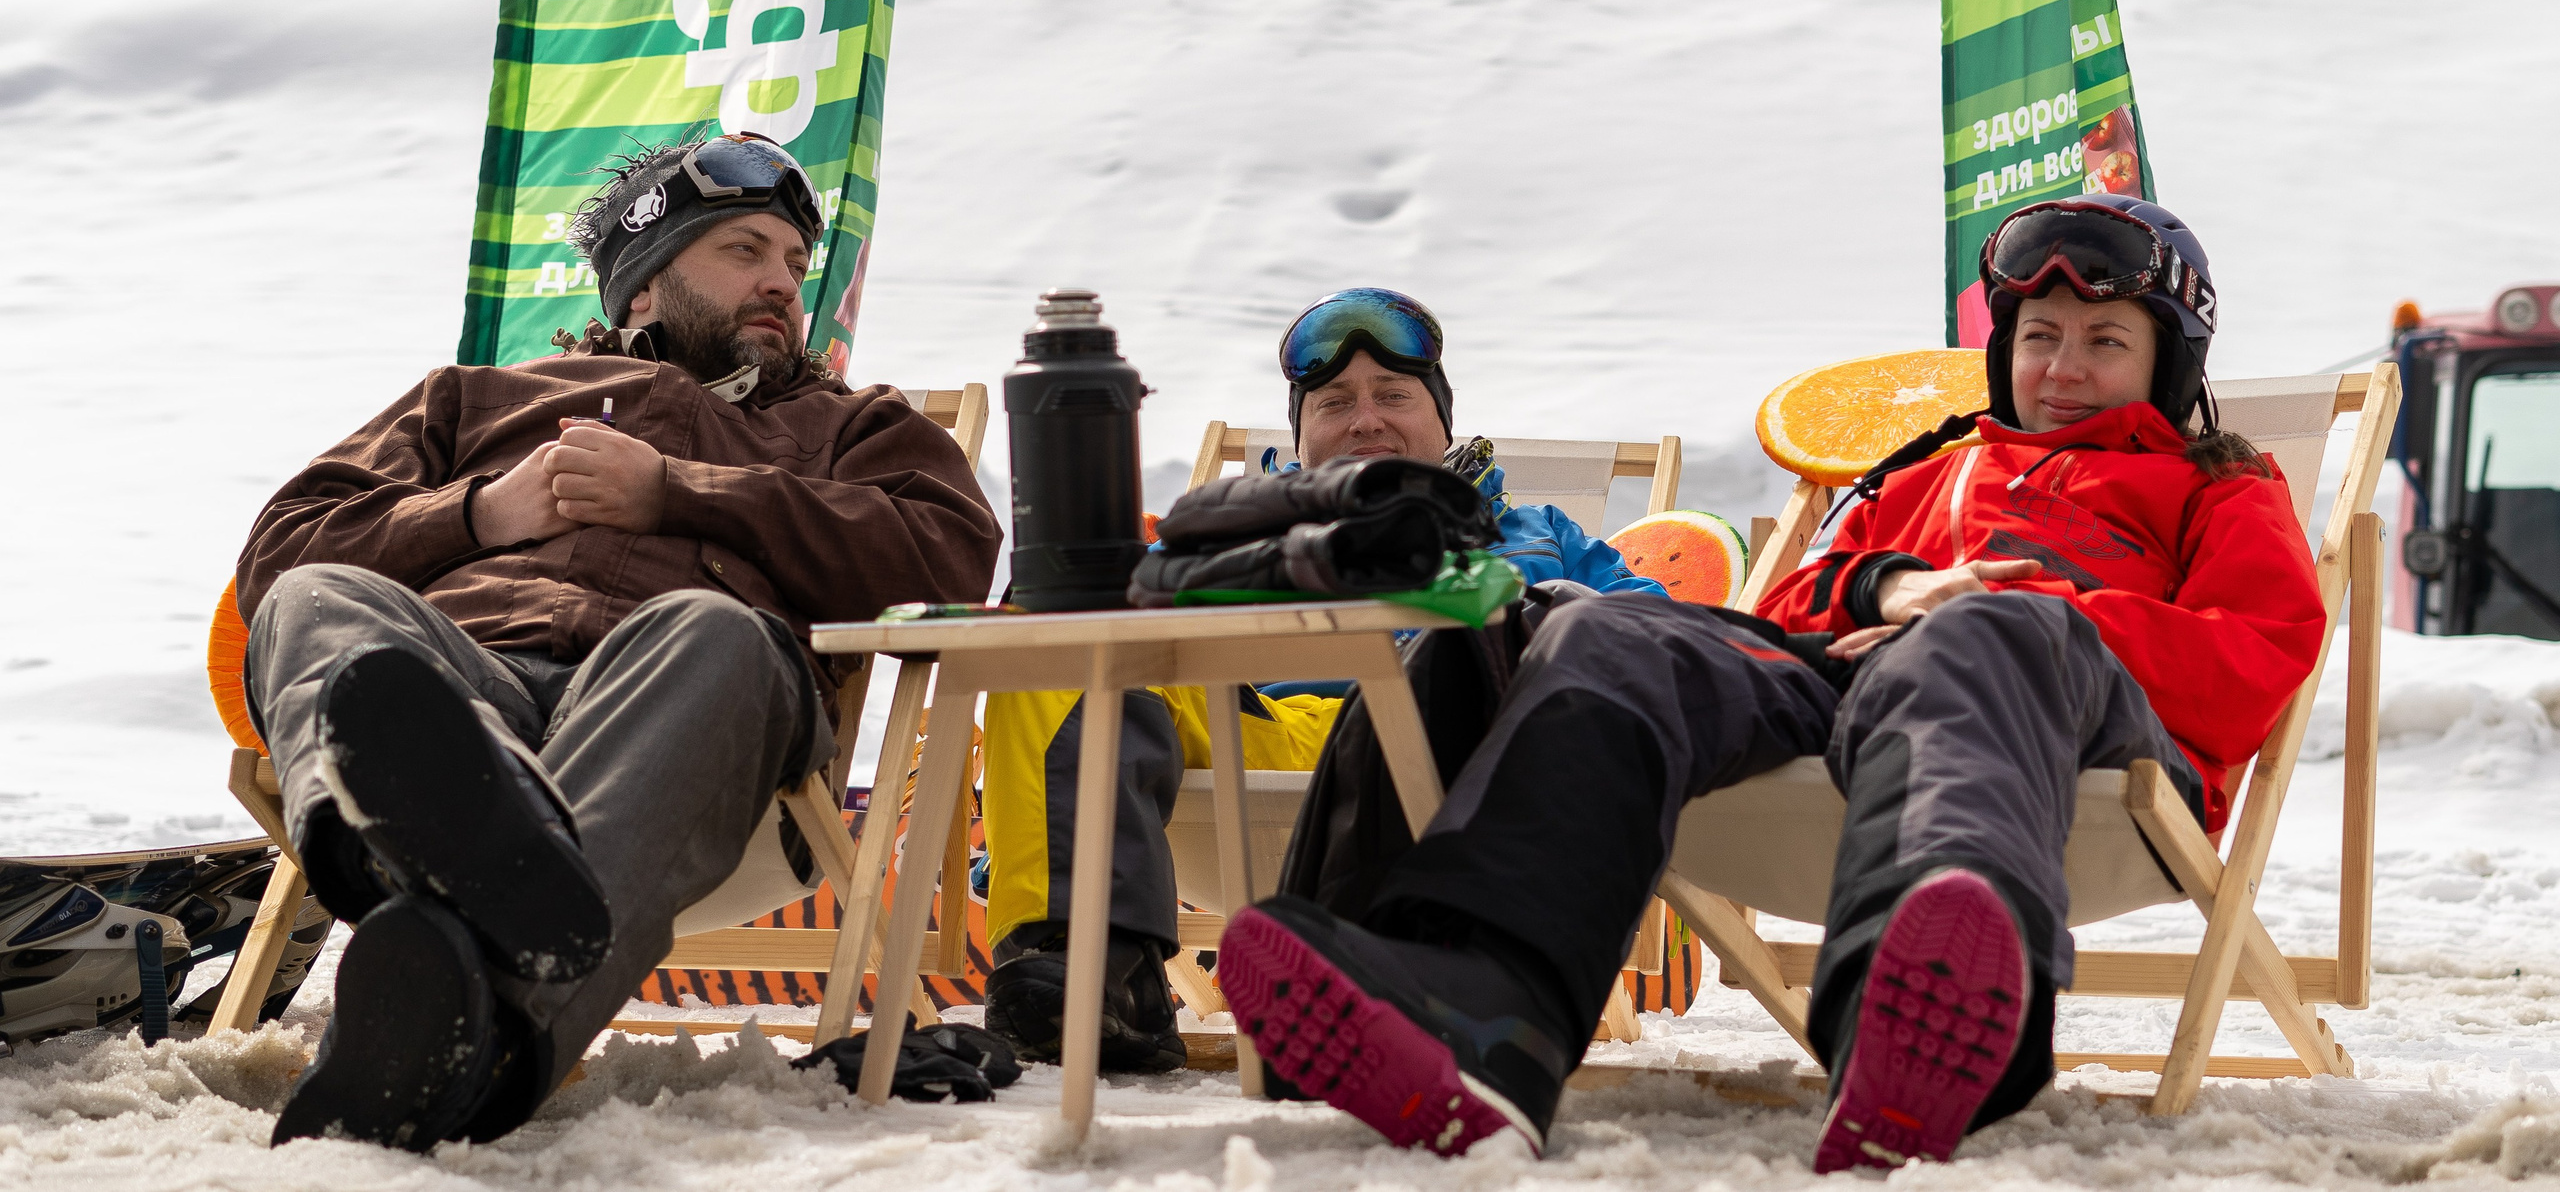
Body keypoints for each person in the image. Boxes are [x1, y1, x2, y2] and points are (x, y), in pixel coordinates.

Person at [1214, 197, 2326, 1170]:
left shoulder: (2214, 486)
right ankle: (1491, 1015)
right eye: (2038, 336)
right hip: (1857, 694)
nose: (2061, 368)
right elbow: (1787, 609)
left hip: (2073, 743)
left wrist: (2026, 612)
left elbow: (2255, 658)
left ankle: (1919, 1025)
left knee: (1985, 633)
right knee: (1606, 633)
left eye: (2102, 341)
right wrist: (1892, 589)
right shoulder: (1932, 470)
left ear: (2167, 362)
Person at [236, 132, 1000, 1151]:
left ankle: (467, 972)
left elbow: (946, 558)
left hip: (683, 719)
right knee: (316, 595)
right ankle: (425, 885)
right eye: (743, 252)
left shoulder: (851, 427)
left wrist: (679, 493)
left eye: (792, 264)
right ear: (642, 286)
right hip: (472, 690)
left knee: (712, 629)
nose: (781, 283)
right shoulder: (476, 398)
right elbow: (281, 549)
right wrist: (480, 515)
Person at [977, 288, 1665, 1071]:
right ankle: (1090, 968)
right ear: (1303, 436)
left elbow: (1659, 638)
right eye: (1335, 402)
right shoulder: (1235, 536)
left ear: (1443, 421)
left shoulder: (1539, 535)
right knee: (1065, 623)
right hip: (1273, 754)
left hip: (1472, 760)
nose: (1365, 419)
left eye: (1394, 396)